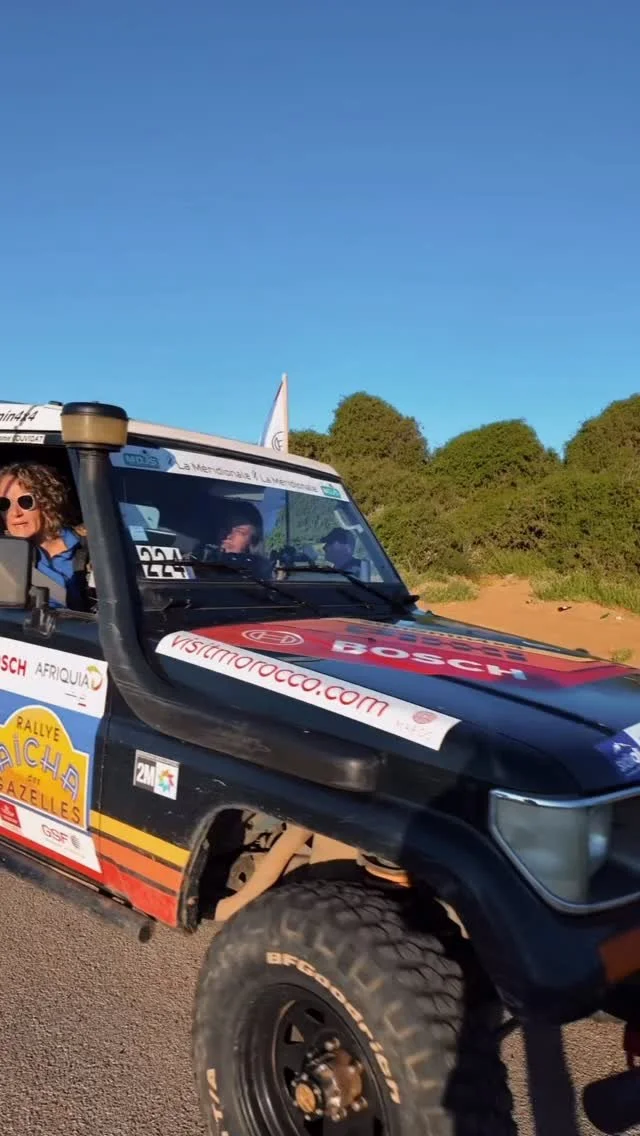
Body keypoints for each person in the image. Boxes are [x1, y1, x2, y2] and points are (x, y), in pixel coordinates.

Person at [0, 462, 91, 610]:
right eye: (4, 504)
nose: (15, 513)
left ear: (47, 502)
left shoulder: (94, 547)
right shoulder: (4, 560)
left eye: (25, 501)